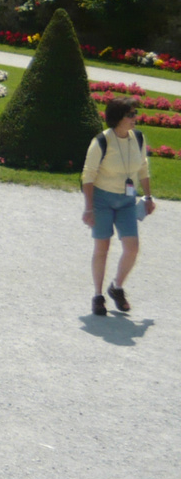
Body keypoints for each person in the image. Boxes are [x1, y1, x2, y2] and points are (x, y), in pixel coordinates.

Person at [82, 97, 155, 316]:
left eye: (135, 113)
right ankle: (97, 295)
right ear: (117, 118)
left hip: (126, 201)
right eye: (130, 114)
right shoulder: (102, 141)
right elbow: (88, 175)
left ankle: (116, 287)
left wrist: (149, 197)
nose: (135, 118)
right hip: (102, 200)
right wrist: (89, 208)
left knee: (132, 248)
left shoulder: (138, 138)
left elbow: (143, 169)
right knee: (102, 249)